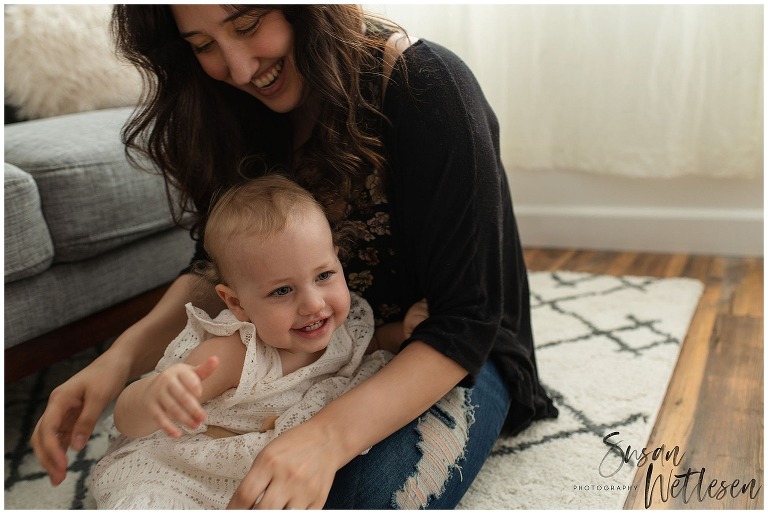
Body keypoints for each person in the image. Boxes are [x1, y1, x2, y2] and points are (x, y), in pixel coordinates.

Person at [31, 5, 558, 509]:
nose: (237, 68)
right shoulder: (231, 109)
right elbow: (213, 268)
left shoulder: (427, 84)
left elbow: (467, 321)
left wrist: (325, 440)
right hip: (307, 358)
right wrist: (118, 361)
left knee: (351, 498)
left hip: (450, 351)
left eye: (248, 24)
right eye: (204, 45)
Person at [91, 175, 426, 508]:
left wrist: (404, 332)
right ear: (236, 303)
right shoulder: (235, 353)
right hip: (181, 473)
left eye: (324, 276)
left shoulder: (345, 329)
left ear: (338, 260)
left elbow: (373, 343)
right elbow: (129, 421)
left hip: (256, 480)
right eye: (282, 290)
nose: (313, 304)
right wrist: (156, 395)